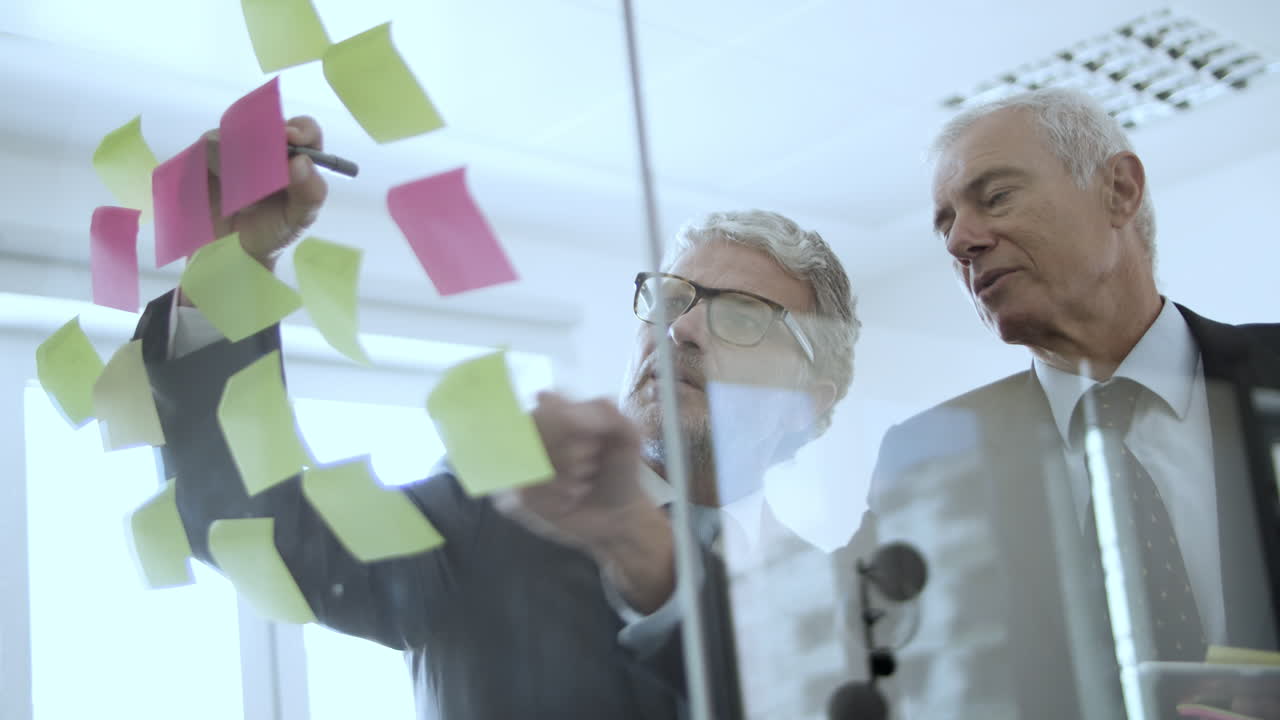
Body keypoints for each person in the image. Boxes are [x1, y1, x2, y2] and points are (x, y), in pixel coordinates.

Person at [135, 117, 861, 719]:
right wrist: (227, 269)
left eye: (738, 316)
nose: (681, 330)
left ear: (810, 399)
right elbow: (257, 530)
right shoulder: (497, 508)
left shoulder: (840, 601)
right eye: (671, 299)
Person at [843, 88, 1280, 718]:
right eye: (946, 224)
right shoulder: (928, 458)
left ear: (1120, 191)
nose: (961, 241)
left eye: (995, 197)